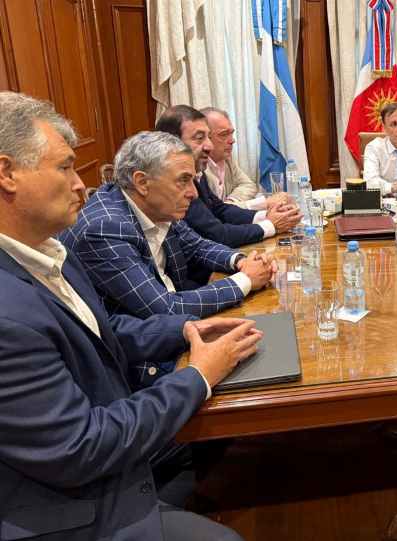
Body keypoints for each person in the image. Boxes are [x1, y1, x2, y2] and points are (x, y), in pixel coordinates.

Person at [0, 91, 258, 540]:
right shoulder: (8, 315)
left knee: (228, 442)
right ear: (7, 174)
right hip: (69, 507)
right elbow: (80, 447)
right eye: (65, 167)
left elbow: (104, 333)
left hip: (106, 443)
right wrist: (197, 376)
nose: (81, 185)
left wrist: (185, 328)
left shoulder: (47, 249)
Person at [61, 131, 273, 378]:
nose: (193, 193)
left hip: (177, 332)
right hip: (144, 363)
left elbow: (197, 245)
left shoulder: (156, 205)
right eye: (183, 180)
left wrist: (241, 261)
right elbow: (166, 308)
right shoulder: (104, 228)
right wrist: (246, 280)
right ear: (142, 182)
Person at [156, 105, 301, 247]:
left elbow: (220, 210)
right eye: (199, 138)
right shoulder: (176, 182)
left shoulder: (198, 171)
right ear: (172, 143)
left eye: (208, 137)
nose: (209, 146)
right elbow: (217, 234)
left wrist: (266, 216)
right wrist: (271, 225)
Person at [201, 106, 264, 207]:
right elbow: (212, 211)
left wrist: (231, 201)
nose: (232, 140)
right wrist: (228, 208)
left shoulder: (226, 158)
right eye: (224, 134)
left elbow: (249, 185)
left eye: (231, 133)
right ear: (205, 137)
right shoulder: (198, 167)